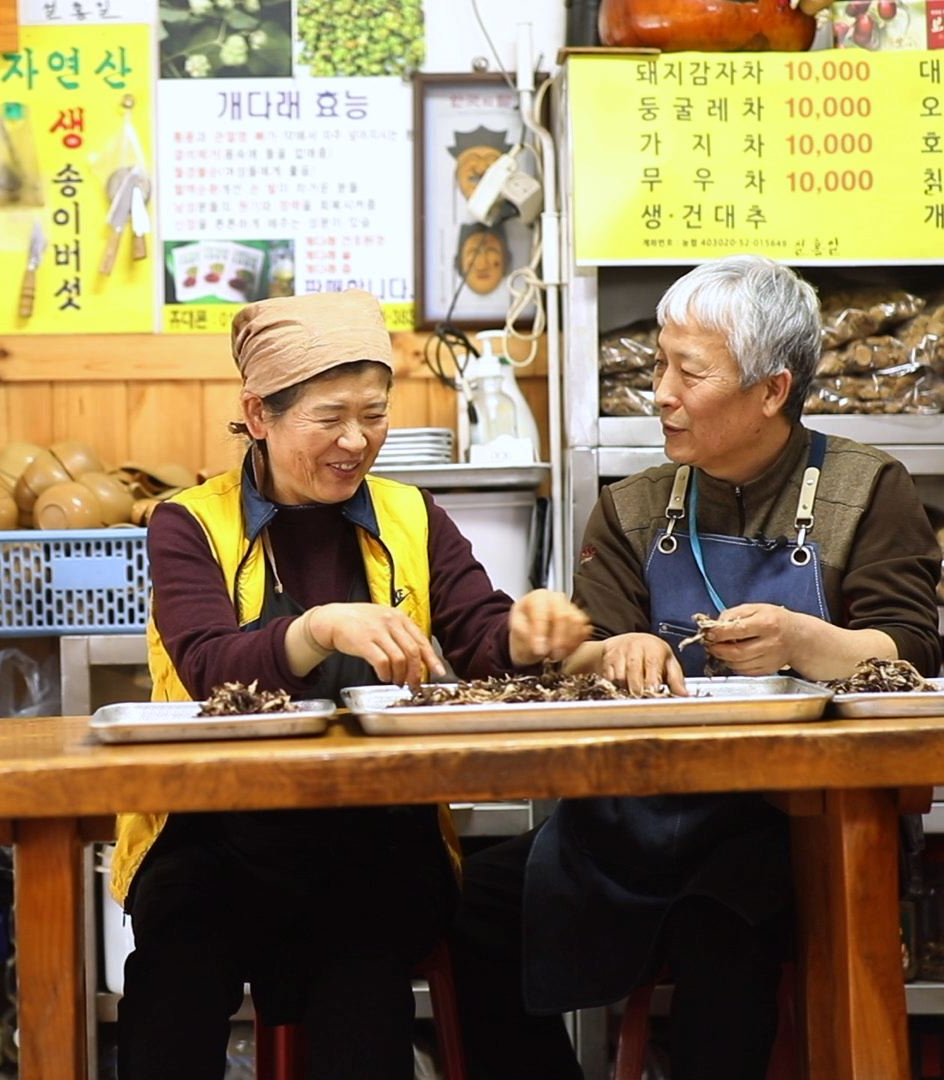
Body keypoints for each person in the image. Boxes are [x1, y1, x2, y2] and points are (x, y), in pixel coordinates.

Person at [452, 255, 942, 1079]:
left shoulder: (869, 489)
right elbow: (584, 651)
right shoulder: (635, 506)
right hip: (636, 820)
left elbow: (910, 653)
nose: (662, 393)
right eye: (658, 364)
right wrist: (612, 650)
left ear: (772, 391)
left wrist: (800, 641)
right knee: (473, 907)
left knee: (726, 924)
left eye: (691, 371)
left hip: (796, 824)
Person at [116, 289, 591, 1080]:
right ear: (258, 414)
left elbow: (480, 638)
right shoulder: (189, 522)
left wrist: (530, 633)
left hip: (377, 839)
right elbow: (205, 661)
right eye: (329, 416)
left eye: (374, 413)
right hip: (213, 836)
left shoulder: (413, 514)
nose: (356, 440)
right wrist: (317, 629)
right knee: (171, 986)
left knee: (362, 997)